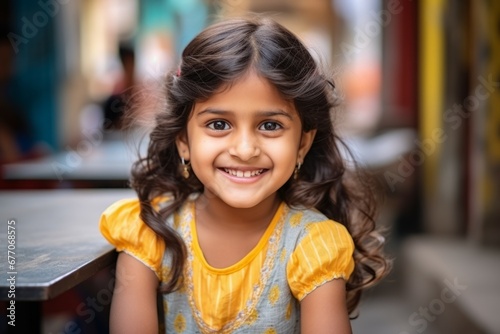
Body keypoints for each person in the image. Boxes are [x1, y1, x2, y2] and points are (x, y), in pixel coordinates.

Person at [99, 17, 390, 334]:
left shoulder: (314, 245)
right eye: (219, 124)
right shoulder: (150, 233)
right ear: (183, 140)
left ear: (302, 143)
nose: (245, 149)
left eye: (270, 125)